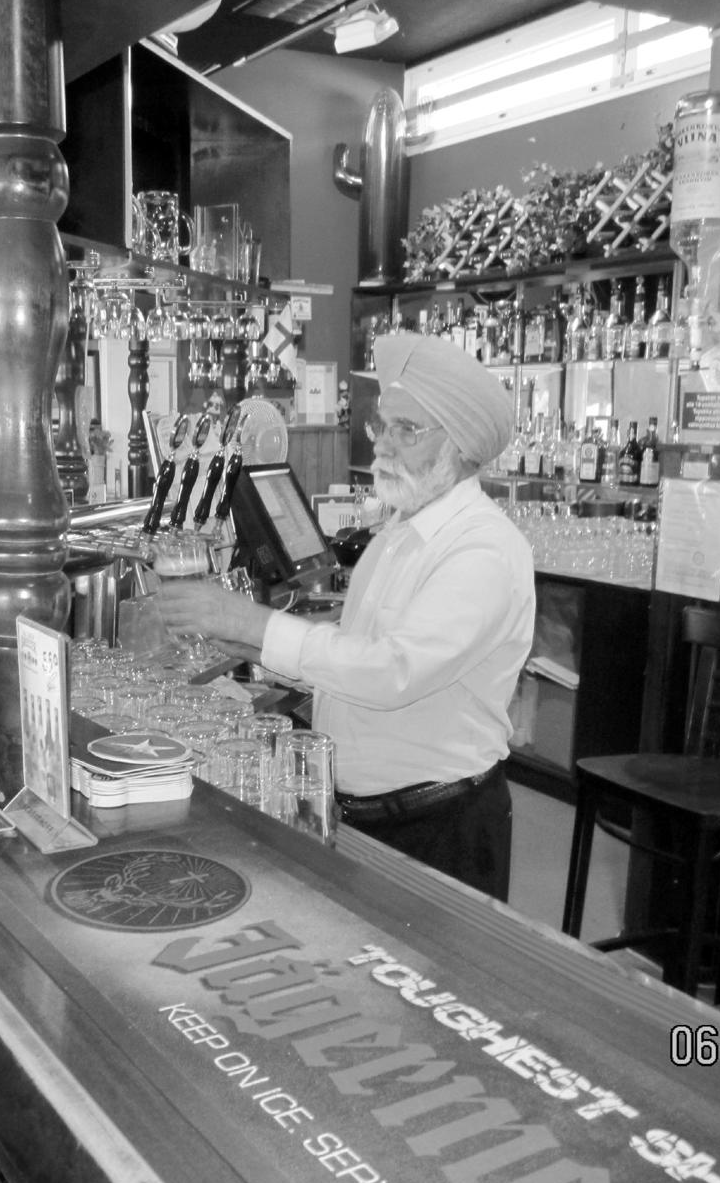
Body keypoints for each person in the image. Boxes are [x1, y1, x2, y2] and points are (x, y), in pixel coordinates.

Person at [160, 333, 534, 899]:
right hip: (363, 815)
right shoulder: (401, 531)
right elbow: (352, 657)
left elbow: (389, 673)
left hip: (440, 826)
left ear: (459, 448)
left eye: (406, 431)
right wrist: (252, 648)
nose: (383, 445)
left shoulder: (483, 551)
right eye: (381, 427)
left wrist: (251, 623)